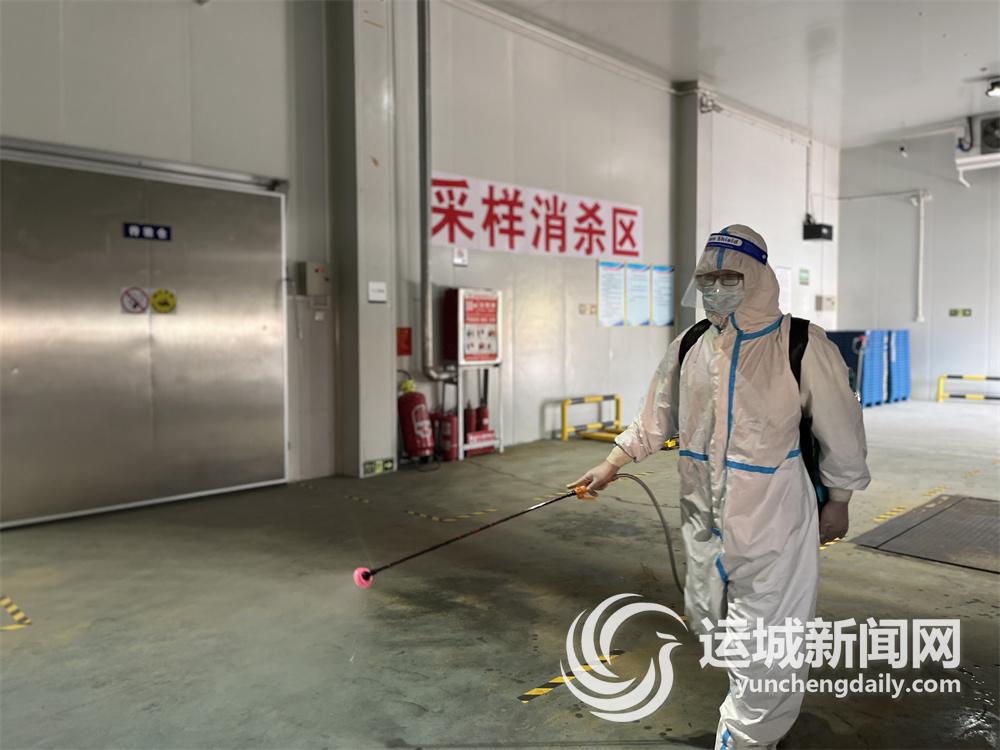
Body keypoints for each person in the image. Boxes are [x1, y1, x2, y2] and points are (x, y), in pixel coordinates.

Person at [570, 225, 870, 749]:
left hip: (774, 519)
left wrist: (839, 500)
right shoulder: (690, 345)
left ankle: (749, 736)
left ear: (757, 278)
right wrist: (612, 463)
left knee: (769, 639)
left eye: (729, 277)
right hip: (703, 520)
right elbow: (655, 418)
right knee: (718, 628)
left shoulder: (799, 344)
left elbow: (840, 428)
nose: (715, 288)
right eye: (708, 278)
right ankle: (750, 713)